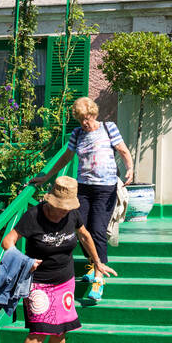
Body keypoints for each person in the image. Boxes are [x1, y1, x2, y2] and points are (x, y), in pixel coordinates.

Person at [0, 175, 114, 343]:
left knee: (61, 331)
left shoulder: (73, 213)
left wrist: (97, 262)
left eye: (66, 208)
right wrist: (24, 260)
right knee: (38, 331)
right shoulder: (33, 216)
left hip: (65, 280)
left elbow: (84, 235)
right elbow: (7, 241)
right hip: (38, 282)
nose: (63, 212)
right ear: (50, 201)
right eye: (59, 208)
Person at [30, 96, 132, 303]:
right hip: (83, 188)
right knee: (80, 228)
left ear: (94, 114)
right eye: (81, 119)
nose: (85, 122)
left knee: (97, 230)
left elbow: (122, 150)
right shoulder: (77, 134)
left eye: (87, 118)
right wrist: (47, 177)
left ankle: (98, 277)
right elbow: (66, 157)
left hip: (105, 188)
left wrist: (130, 168)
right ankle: (92, 263)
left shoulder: (108, 128)